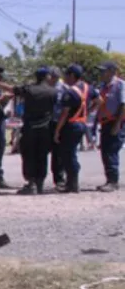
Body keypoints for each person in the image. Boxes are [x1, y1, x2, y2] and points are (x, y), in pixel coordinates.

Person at [11, 67, 60, 195]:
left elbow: (13, 90)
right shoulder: (53, 92)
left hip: (30, 129)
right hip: (46, 129)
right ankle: (40, 184)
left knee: (29, 156)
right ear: (47, 77)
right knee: (42, 156)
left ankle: (31, 183)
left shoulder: (29, 89)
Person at [53, 64, 96, 194]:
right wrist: (87, 111)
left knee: (68, 154)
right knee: (71, 153)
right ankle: (72, 183)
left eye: (66, 75)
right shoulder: (89, 88)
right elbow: (99, 100)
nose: (65, 78)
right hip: (82, 124)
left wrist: (57, 131)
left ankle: (72, 184)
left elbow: (64, 113)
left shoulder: (70, 92)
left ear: (72, 76)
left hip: (71, 125)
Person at [96, 61, 124, 192]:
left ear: (112, 71)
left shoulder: (120, 85)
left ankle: (113, 181)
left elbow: (123, 106)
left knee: (111, 151)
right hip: (105, 123)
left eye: (104, 71)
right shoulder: (102, 86)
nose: (101, 73)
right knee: (105, 152)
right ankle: (109, 179)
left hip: (116, 122)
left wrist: (118, 124)